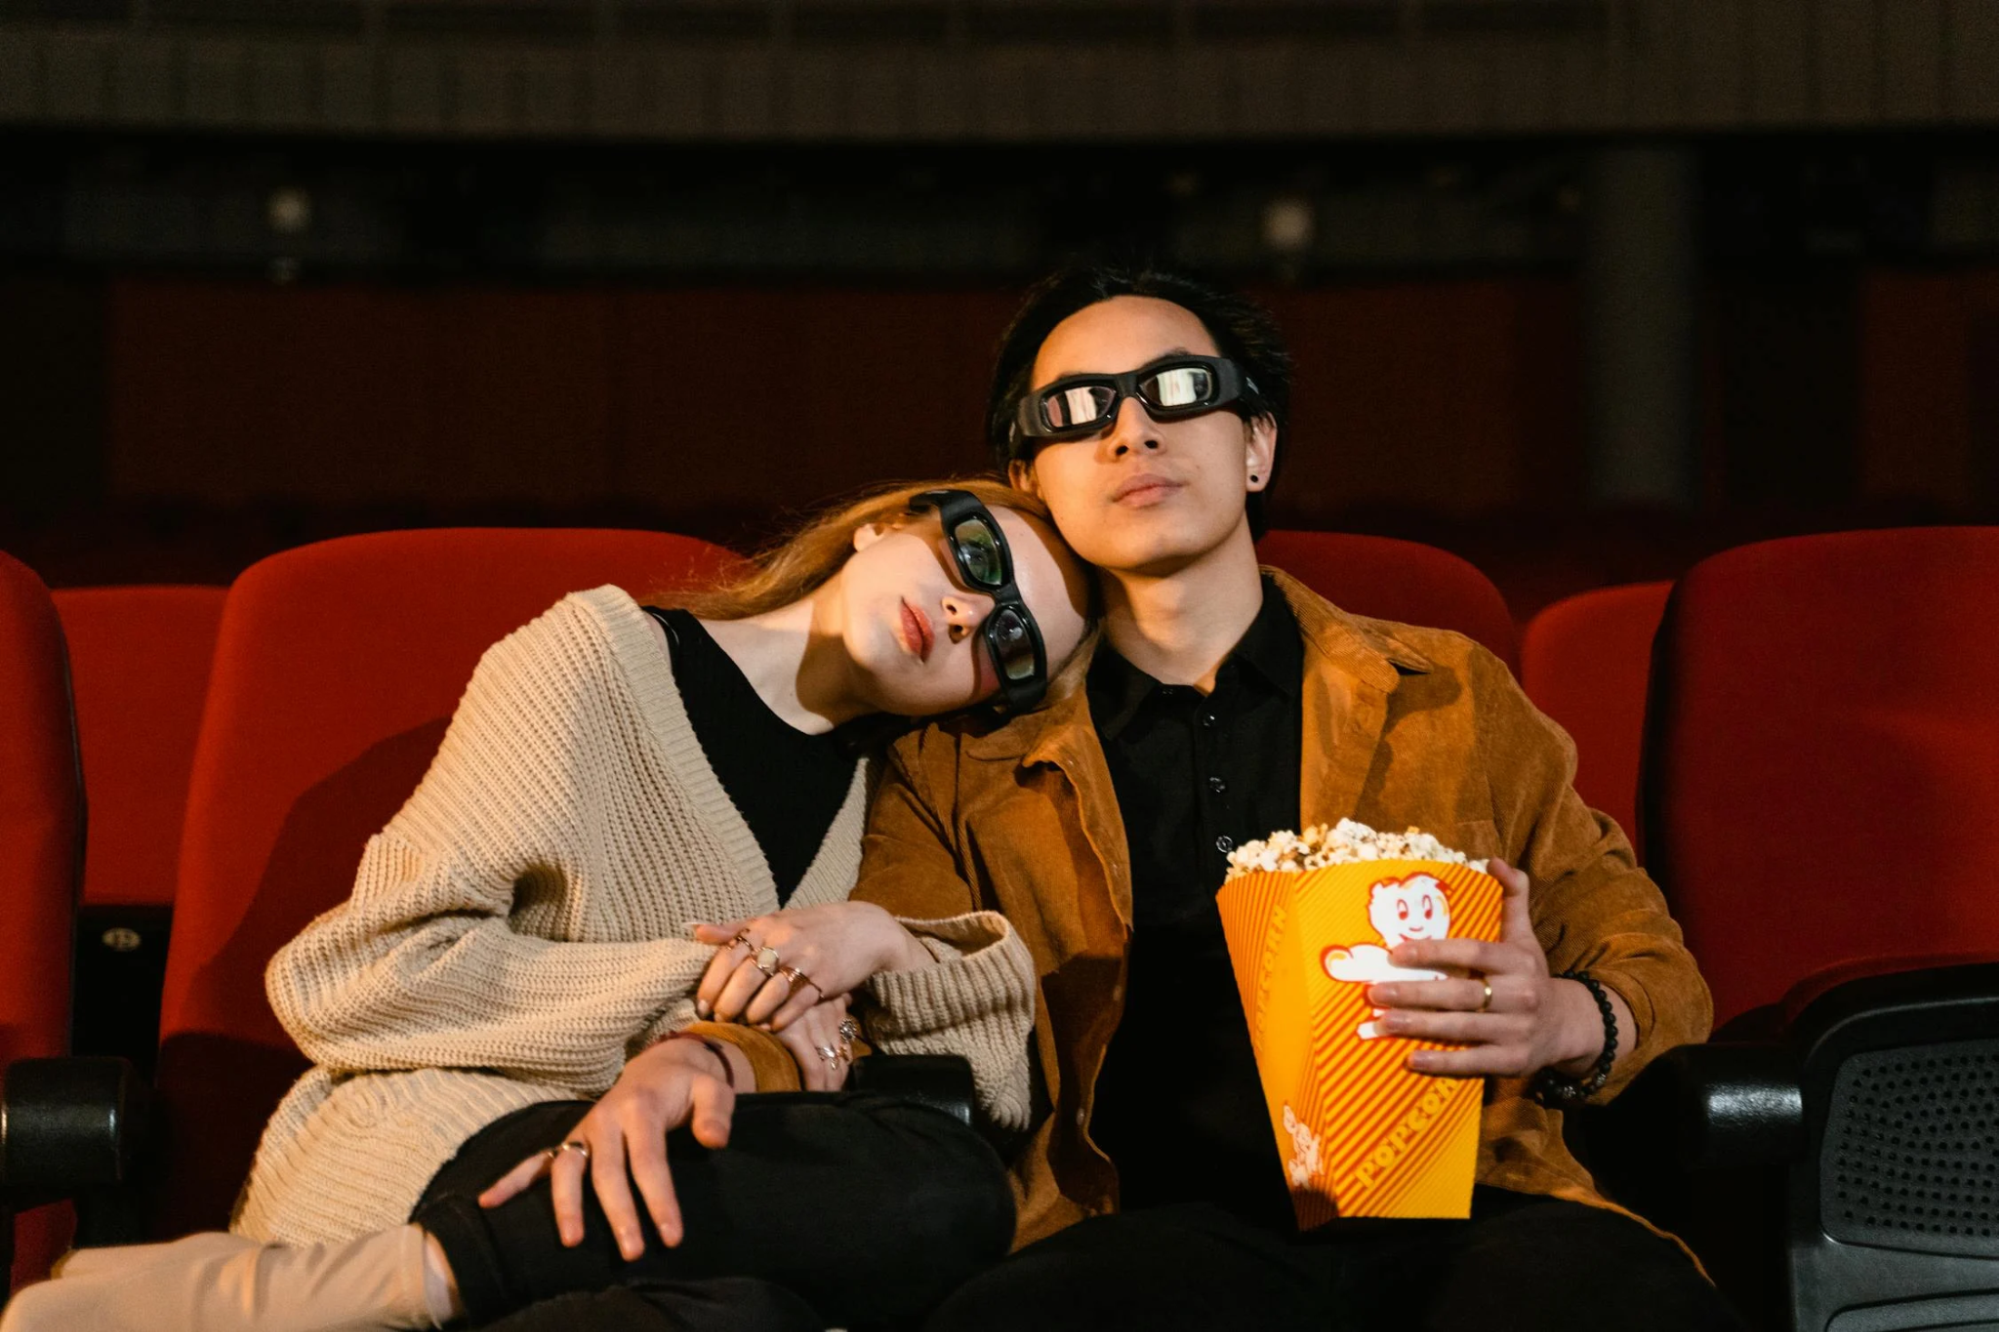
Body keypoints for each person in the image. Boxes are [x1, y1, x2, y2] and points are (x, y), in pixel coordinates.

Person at [841, 266, 1744, 1331]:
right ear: (1029, 480)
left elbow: (1654, 971)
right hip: (1132, 1229)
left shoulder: (1447, 691)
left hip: (1472, 1210)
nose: (1131, 433)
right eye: (1077, 412)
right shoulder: (955, 754)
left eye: (1177, 390)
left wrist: (1563, 1021)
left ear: (1256, 444)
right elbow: (909, 1029)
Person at [2, 479, 1095, 1333]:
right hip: (453, 1136)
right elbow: (356, 977)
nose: (961, 612)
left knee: (832, 1263)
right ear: (883, 526)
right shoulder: (598, 660)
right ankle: (372, 1274)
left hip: (673, 1188)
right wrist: (703, 983)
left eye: (1004, 646)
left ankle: (365, 1294)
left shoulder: (887, 802)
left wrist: (877, 936)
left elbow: (989, 1084)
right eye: (975, 557)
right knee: (923, 1208)